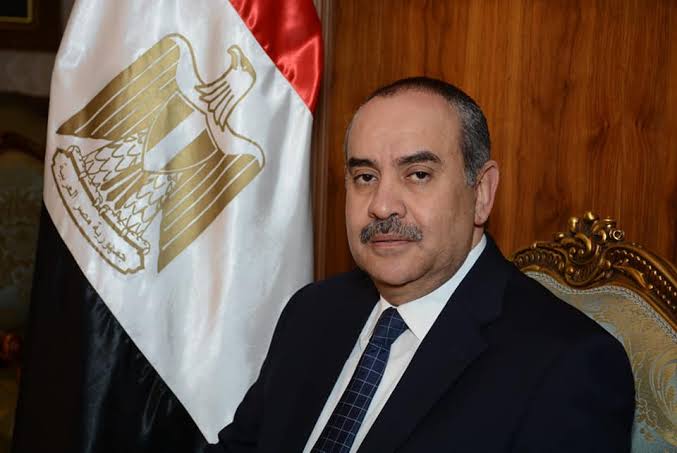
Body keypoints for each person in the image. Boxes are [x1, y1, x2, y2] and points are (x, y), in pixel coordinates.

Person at [211, 77, 635, 452]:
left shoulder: (568, 365)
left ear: (481, 193)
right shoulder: (311, 312)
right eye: (365, 177)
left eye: (417, 174)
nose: (381, 206)